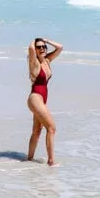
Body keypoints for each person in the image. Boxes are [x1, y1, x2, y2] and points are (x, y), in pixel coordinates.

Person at [27, 36, 63, 166]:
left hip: (42, 99)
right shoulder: (34, 62)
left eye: (43, 47)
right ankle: (51, 161)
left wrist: (46, 40)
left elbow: (60, 47)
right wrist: (34, 40)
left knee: (37, 131)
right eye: (39, 47)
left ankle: (29, 159)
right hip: (35, 98)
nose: (41, 49)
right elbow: (30, 48)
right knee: (51, 128)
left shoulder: (47, 61)